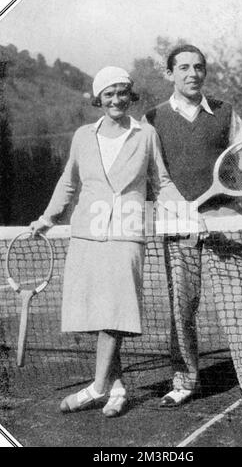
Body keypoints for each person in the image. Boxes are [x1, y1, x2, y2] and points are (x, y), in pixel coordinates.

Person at [30, 66, 190, 417]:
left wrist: (189, 214)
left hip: (127, 233)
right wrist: (47, 217)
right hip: (87, 233)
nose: (116, 99)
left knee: (116, 311)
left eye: (122, 93)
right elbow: (68, 183)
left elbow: (161, 182)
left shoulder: (145, 134)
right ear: (98, 99)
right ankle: (116, 387)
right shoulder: (82, 136)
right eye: (108, 94)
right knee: (96, 312)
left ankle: (97, 386)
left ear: (130, 97)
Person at [144, 44, 242, 408]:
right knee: (181, 307)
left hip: (224, 219)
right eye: (184, 67)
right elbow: (155, 176)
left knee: (237, 303)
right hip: (177, 223)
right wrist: (183, 213)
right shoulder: (152, 119)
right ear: (170, 73)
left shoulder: (225, 112)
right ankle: (184, 381)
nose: (193, 74)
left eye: (199, 67)